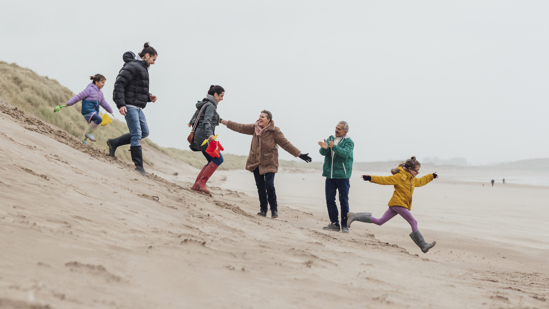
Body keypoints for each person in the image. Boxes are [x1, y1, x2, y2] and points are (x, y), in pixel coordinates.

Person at [221, 111, 312, 218]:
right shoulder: (254, 128)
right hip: (256, 162)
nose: (259, 118)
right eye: (259, 116)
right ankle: (263, 210)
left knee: (269, 185)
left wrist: (299, 154)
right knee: (260, 186)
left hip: (269, 162)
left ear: (268, 120)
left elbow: (285, 144)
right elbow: (240, 127)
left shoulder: (274, 131)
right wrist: (223, 121)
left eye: (262, 117)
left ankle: (274, 210)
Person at [347, 157, 438, 253]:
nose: (418, 173)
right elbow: (385, 180)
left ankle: (354, 216)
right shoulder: (400, 177)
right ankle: (423, 245)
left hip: (397, 204)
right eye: (417, 170)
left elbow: (421, 181)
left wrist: (431, 176)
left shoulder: (412, 179)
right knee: (413, 222)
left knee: (380, 221)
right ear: (410, 169)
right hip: (399, 204)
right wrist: (370, 178)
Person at [109, 43, 158, 176]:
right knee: (136, 133)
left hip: (137, 107)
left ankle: (114, 142)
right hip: (129, 105)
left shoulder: (142, 67)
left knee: (144, 132)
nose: (154, 63)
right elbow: (120, 84)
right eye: (153, 59)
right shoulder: (133, 66)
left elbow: (135, 88)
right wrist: (121, 104)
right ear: (147, 55)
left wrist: (148, 97)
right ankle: (139, 167)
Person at [189, 85, 225, 194]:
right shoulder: (210, 105)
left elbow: (199, 117)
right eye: (221, 96)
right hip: (205, 137)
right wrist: (210, 135)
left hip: (200, 136)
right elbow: (206, 121)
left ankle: (197, 184)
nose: (222, 99)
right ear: (215, 94)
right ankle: (201, 183)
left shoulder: (205, 103)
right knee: (219, 159)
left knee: (211, 160)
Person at [319, 121, 354, 233]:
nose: (336, 130)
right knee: (329, 199)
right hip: (330, 175)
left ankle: (344, 225)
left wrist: (333, 147)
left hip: (342, 176)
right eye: (336, 128)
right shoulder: (330, 138)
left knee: (343, 200)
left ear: (345, 131)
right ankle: (334, 223)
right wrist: (324, 148)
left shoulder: (349, 142)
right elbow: (324, 153)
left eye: (339, 129)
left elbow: (345, 153)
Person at [66, 74, 114, 144]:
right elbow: (79, 96)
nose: (104, 84)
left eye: (104, 83)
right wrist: (69, 103)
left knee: (93, 125)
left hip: (94, 112)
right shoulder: (89, 89)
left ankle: (84, 139)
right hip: (87, 111)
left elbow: (103, 103)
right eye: (102, 82)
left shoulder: (100, 93)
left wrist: (110, 110)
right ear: (96, 82)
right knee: (99, 119)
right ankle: (88, 134)